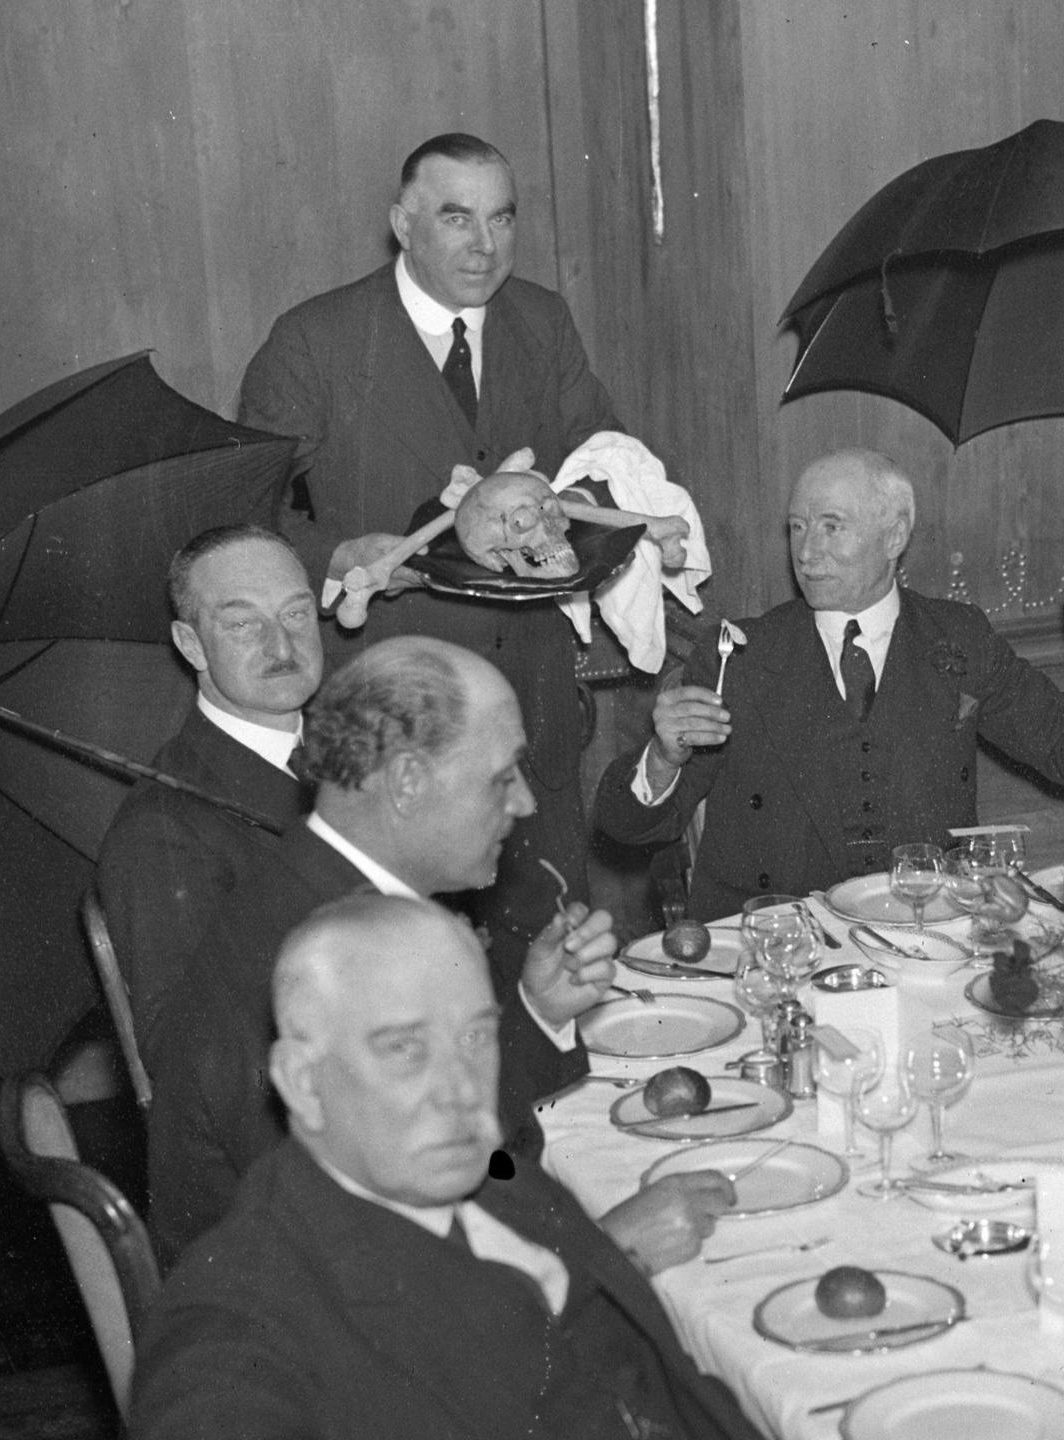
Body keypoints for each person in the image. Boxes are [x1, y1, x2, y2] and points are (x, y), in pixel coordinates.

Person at [145, 637, 727, 1267]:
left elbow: (431, 1125)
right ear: (408, 783)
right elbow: (374, 1271)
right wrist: (611, 1250)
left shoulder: (339, 894)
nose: (525, 805)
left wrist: (537, 1013)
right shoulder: (314, 963)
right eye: (502, 778)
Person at [129, 894, 761, 1440]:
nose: (459, 1089)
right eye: (404, 1049)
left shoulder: (494, 1178)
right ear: (301, 1081)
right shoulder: (240, 1323)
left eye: (475, 1038)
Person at [238, 131, 623, 990]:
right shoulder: (316, 340)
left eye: (502, 218)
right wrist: (338, 551)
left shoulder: (543, 320)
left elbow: (602, 460)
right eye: (456, 217)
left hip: (531, 725)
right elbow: (239, 516)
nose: (484, 245)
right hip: (396, 727)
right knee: (404, 994)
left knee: (554, 988)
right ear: (401, 223)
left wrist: (579, 511)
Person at [596, 449, 1064, 918]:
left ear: (895, 536)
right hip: (778, 946)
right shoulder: (736, 655)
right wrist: (663, 759)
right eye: (798, 527)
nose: (807, 553)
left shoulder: (957, 638)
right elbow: (627, 827)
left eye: (832, 526)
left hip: (925, 940)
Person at [95, 526, 319, 1039]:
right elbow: (193, 1061)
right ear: (191, 644)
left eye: (296, 613)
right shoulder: (165, 830)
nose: (282, 644)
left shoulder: (360, 752)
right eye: (243, 623)